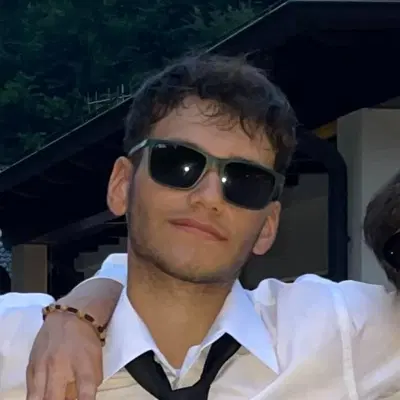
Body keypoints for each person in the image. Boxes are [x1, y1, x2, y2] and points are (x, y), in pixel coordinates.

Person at [2, 54, 400, 399]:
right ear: (122, 185)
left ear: (268, 225)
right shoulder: (13, 342)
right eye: (178, 162)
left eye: (245, 181)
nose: (209, 196)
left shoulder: (338, 333)